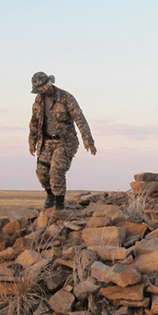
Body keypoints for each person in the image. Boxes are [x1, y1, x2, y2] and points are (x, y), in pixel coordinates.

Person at [28, 72, 97, 211]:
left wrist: (88, 140)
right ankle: (50, 196)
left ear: (49, 85)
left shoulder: (66, 98)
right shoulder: (38, 101)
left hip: (65, 142)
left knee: (56, 171)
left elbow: (79, 118)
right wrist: (32, 141)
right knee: (41, 172)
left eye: (43, 89)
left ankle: (60, 203)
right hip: (47, 142)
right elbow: (34, 122)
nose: (41, 92)